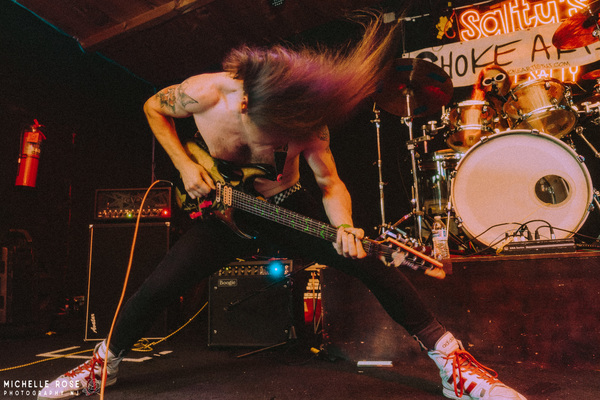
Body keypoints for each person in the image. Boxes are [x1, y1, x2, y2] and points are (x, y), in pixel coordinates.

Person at [39, 12, 527, 400]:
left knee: (372, 263)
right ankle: (103, 365)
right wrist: (186, 167)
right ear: (243, 105)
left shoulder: (308, 125)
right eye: (270, 134)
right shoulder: (204, 93)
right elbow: (152, 107)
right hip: (223, 216)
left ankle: (452, 363)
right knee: (158, 287)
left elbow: (331, 184)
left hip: (285, 206)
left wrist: (345, 226)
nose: (278, 147)